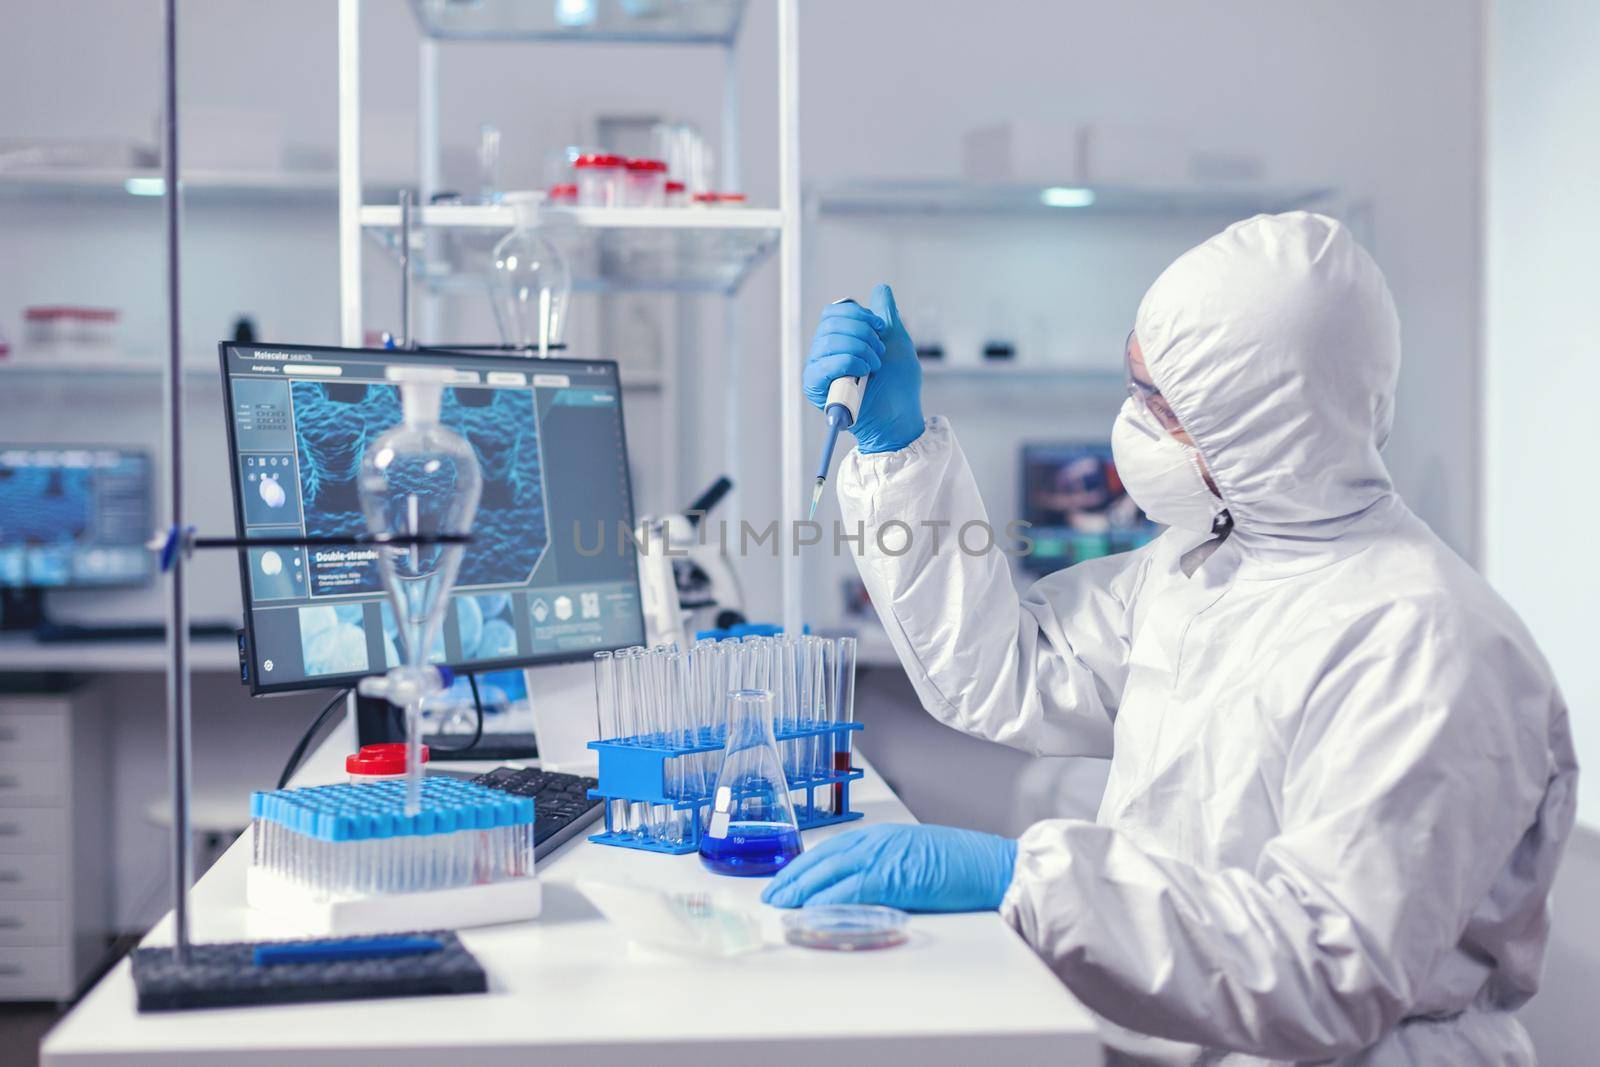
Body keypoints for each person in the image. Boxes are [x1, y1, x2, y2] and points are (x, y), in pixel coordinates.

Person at [767, 212, 1577, 1064]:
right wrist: (898, 453)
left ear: (1267, 427)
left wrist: (1024, 879)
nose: (1131, 428)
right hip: (1171, 1034)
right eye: (1135, 387)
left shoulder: (1424, 643)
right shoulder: (1209, 565)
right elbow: (1006, 673)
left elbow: (1325, 970)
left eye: (1162, 407)